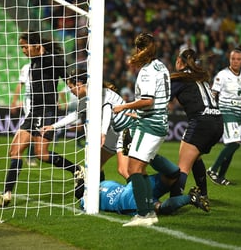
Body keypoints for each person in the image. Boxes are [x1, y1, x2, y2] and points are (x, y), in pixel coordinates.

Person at [1, 31, 84, 206]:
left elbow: (69, 78)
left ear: (36, 45)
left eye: (25, 46)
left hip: (46, 111)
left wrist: (80, 94)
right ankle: (7, 194)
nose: (23, 50)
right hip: (34, 112)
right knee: (16, 151)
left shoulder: (52, 60)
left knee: (41, 154)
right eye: (21, 47)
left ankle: (77, 170)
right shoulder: (34, 61)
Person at [113, 33, 171, 227]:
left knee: (133, 169)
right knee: (141, 168)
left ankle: (143, 214)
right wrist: (137, 114)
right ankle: (148, 212)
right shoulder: (161, 66)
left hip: (150, 124)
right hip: (158, 121)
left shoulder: (147, 71)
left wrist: (124, 107)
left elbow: (148, 101)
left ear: (139, 49)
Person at [41, 69, 135, 181]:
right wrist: (53, 126)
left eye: (71, 87)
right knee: (95, 165)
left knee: (124, 170)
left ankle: (142, 197)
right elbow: (75, 115)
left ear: (79, 84)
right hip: (116, 132)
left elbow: (107, 110)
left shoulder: (98, 92)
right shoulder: (86, 99)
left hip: (129, 129)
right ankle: (99, 195)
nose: (71, 91)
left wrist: (103, 133)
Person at [168, 48, 223, 205]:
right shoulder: (201, 78)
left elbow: (163, 99)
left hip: (202, 122)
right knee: (195, 156)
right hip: (218, 123)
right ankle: (203, 194)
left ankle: (175, 201)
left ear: (179, 61)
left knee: (183, 166)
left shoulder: (180, 78)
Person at [75, 155, 210, 215]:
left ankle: (190, 198)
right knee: (173, 175)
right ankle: (149, 155)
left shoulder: (85, 202)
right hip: (132, 187)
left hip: (126, 202)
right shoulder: (105, 183)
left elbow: (81, 198)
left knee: (159, 208)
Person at [207, 48, 241, 185]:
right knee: (235, 143)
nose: (235, 61)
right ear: (230, 59)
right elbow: (213, 94)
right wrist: (211, 110)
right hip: (225, 111)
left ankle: (221, 177)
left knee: (232, 145)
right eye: (233, 59)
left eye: (238, 59)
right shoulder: (222, 75)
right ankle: (213, 169)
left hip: (237, 114)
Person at [10, 63, 37, 167]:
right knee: (33, 126)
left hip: (42, 100)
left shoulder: (46, 64)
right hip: (29, 100)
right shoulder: (26, 67)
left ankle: (31, 155)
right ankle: (30, 156)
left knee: (37, 127)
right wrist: (14, 102)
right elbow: (20, 84)